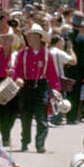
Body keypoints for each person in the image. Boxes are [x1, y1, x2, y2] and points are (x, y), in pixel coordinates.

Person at [12, 25, 61, 153]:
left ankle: (40, 144)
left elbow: (52, 73)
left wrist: (55, 90)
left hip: (41, 85)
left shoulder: (46, 54)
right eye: (29, 36)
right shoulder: (22, 52)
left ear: (40, 38)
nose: (30, 39)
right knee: (25, 116)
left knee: (41, 117)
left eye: (34, 36)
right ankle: (25, 142)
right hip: (26, 85)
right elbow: (16, 69)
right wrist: (17, 78)